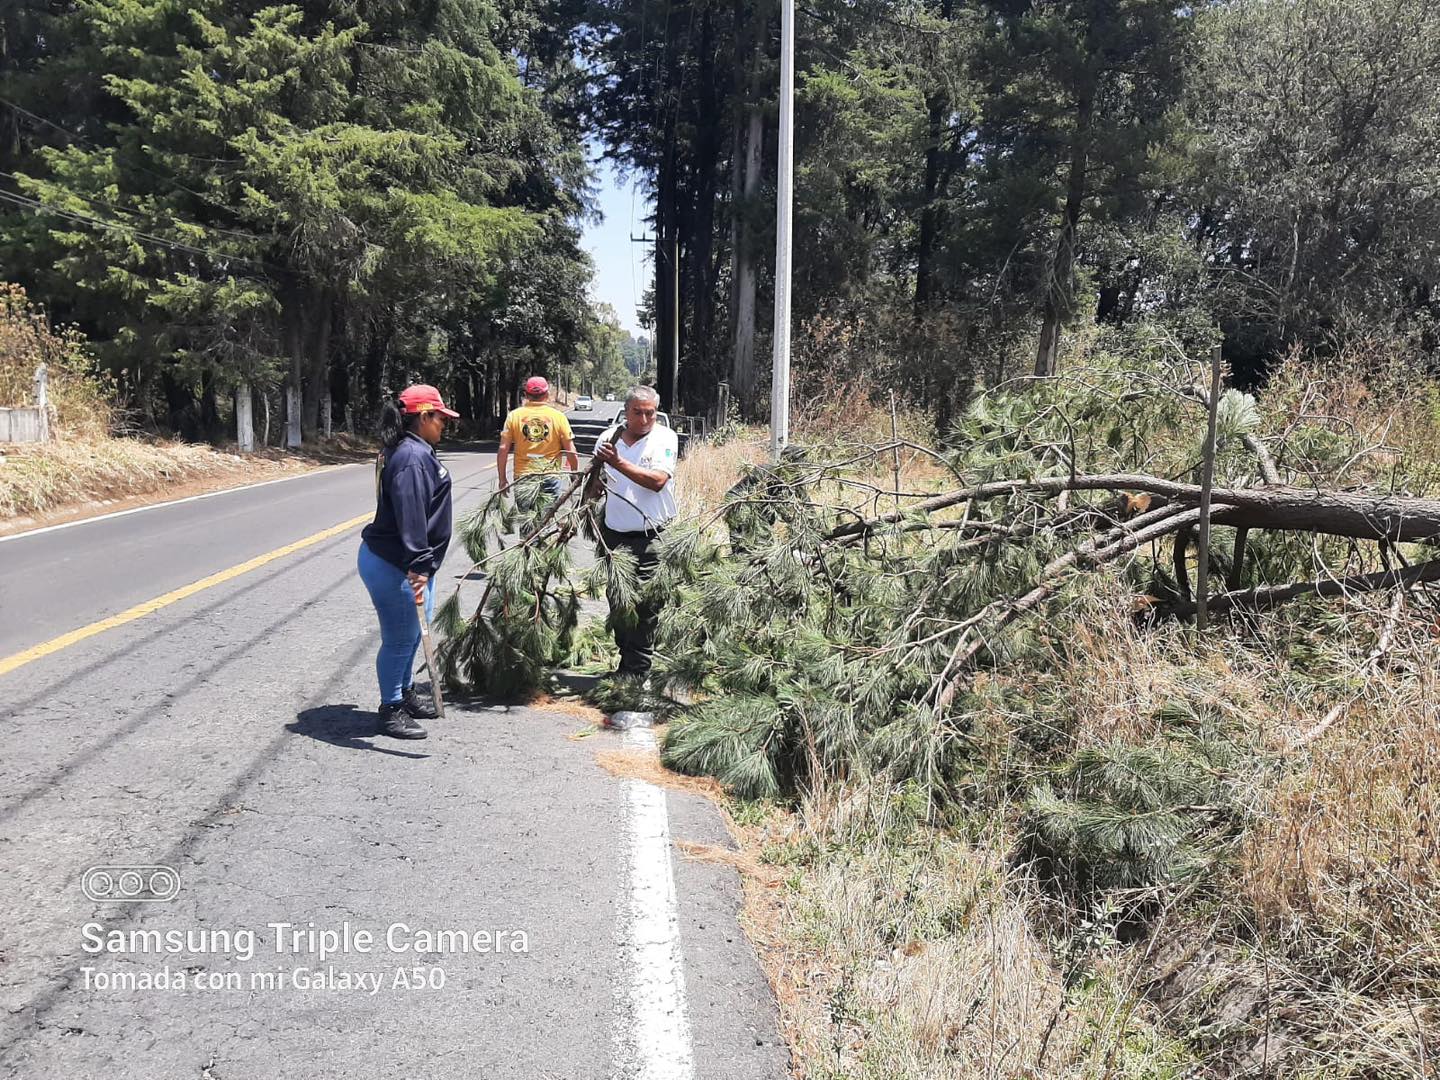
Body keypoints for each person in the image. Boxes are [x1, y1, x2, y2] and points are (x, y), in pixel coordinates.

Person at [357, 384, 458, 739]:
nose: (444, 424)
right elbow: (410, 514)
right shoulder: (412, 457)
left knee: (415, 632)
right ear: (423, 417)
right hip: (396, 564)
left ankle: (406, 694)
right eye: (440, 418)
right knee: (400, 639)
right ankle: (390, 708)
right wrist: (417, 563)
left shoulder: (415, 450)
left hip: (412, 563)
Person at [594, 385, 679, 680]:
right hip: (615, 536)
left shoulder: (665, 438)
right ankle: (626, 665)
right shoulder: (608, 438)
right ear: (626, 412)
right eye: (637, 413)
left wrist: (618, 462)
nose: (644, 419)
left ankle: (638, 672)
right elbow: (596, 482)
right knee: (618, 601)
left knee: (645, 604)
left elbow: (657, 481)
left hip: (652, 536)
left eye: (650, 413)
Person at [497, 376, 578, 505]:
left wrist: (502, 479)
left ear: (526, 395)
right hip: (550, 476)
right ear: (547, 394)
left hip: (523, 476)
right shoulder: (558, 417)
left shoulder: (514, 416)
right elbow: (571, 450)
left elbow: (503, 449)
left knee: (526, 520)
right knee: (545, 521)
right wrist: (574, 474)